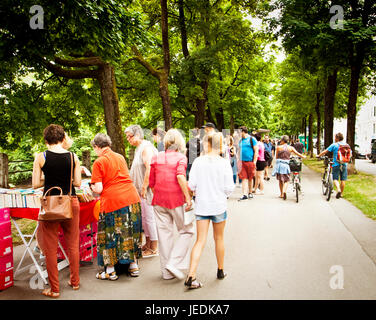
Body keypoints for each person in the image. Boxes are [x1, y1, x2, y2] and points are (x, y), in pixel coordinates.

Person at [32, 124, 82, 298]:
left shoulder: (41, 157)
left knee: (50, 249)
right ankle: (75, 282)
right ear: (62, 139)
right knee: (73, 245)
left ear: (46, 141)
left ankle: (54, 289)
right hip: (71, 201)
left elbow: (36, 184)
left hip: (51, 206)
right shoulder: (73, 156)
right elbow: (77, 183)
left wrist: (48, 176)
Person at [185, 133, 234, 289]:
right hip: (219, 205)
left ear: (206, 144)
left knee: (200, 241)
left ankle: (191, 276)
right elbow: (229, 188)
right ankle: (220, 270)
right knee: (219, 238)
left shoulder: (198, 162)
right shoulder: (224, 163)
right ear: (220, 145)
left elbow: (191, 185)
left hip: (202, 206)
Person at [90, 133, 142, 280]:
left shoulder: (99, 162)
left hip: (113, 201)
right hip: (132, 198)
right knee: (130, 233)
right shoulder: (120, 157)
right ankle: (133, 266)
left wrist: (92, 187)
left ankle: (111, 270)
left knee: (109, 234)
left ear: (97, 147)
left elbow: (99, 189)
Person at [149, 129, 194, 280]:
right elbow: (180, 176)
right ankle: (174, 263)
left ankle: (166, 273)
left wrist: (161, 194)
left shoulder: (156, 157)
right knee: (187, 231)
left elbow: (152, 184)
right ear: (180, 142)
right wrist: (188, 197)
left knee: (164, 236)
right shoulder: (181, 157)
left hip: (159, 201)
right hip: (177, 200)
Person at [125, 125, 159, 258]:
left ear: (138, 134)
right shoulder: (140, 148)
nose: (128, 139)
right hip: (140, 190)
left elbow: (150, 167)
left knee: (149, 218)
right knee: (145, 218)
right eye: (127, 136)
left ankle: (154, 247)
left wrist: (144, 187)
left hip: (147, 190)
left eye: (130, 136)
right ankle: (148, 243)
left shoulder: (146, 148)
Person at [272, 135, 306, 200]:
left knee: (280, 180)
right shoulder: (290, 148)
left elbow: (276, 157)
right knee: (286, 180)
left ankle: (281, 194)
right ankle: (285, 190)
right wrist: (303, 156)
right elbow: (298, 154)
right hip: (286, 165)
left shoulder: (278, 148)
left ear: (282, 141)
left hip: (279, 165)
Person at [317, 132, 349, 199]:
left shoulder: (334, 145)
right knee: (343, 180)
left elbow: (325, 151)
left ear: (337, 138)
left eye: (335, 137)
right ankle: (341, 194)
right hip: (344, 164)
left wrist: (319, 155)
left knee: (335, 178)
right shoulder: (347, 145)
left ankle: (338, 190)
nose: (334, 138)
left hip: (336, 164)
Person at [237, 126, 258, 201]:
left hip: (250, 161)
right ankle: (244, 194)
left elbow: (256, 151)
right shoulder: (240, 140)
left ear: (243, 132)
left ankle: (250, 192)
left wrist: (255, 162)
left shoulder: (252, 139)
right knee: (244, 178)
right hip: (242, 162)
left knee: (250, 178)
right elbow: (239, 151)